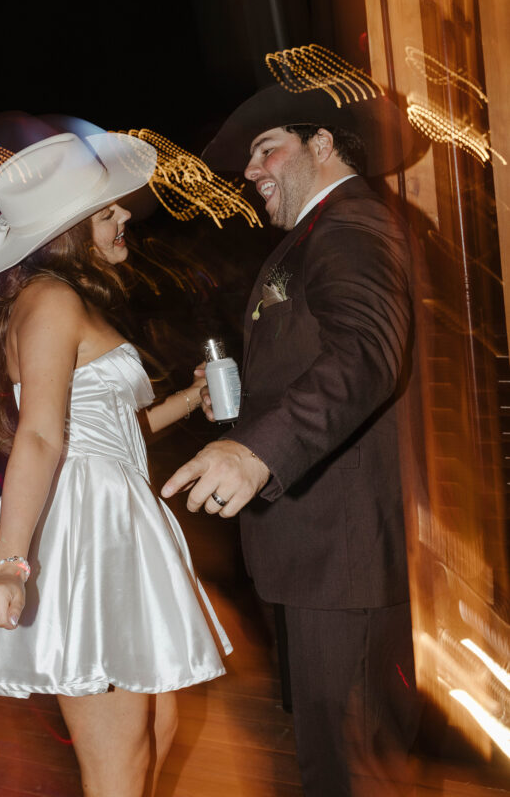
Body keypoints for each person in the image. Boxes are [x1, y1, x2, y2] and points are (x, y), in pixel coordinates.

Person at [0, 131, 231, 797]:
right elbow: (38, 438)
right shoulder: (52, 299)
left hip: (114, 513)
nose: (124, 216)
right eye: (106, 211)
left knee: (155, 734)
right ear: (69, 229)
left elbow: (100, 431)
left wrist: (189, 398)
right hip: (88, 534)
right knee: (118, 764)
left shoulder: (59, 299)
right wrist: (12, 564)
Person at [162, 84, 421, 796]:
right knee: (330, 760)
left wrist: (257, 450)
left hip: (342, 556)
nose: (249, 171)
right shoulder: (312, 235)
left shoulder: (349, 224)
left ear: (323, 144)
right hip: (317, 550)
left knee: (350, 768)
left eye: (264, 148)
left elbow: (366, 353)